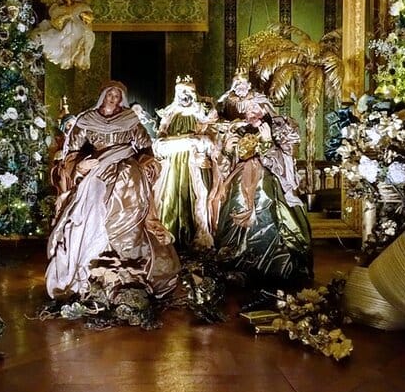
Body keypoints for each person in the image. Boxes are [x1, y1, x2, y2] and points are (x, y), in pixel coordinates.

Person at [46, 81, 179, 302]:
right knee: (89, 208)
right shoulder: (87, 119)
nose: (114, 98)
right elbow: (72, 151)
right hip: (97, 169)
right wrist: (80, 165)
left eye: (118, 95)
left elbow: (146, 147)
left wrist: (146, 162)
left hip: (126, 169)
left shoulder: (129, 118)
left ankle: (128, 263)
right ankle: (95, 262)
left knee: (129, 197)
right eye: (110, 94)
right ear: (103, 95)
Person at [212, 86, 313, 286]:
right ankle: (240, 264)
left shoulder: (280, 126)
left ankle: (273, 265)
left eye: (255, 107)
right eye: (246, 109)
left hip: (269, 178)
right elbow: (225, 164)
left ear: (264, 106)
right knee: (235, 205)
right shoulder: (237, 128)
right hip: (240, 178)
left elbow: (286, 159)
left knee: (266, 200)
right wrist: (228, 150)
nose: (251, 112)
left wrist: (267, 143)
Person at [153, 76, 217, 249]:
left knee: (196, 196)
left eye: (188, 92)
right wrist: (171, 144)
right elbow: (160, 139)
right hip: (172, 164)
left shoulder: (201, 114)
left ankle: (196, 235)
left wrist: (200, 145)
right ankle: (168, 232)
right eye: (181, 92)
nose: (185, 96)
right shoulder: (170, 114)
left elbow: (212, 138)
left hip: (193, 162)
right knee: (169, 195)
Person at [32, 0, 96, 70]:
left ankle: (73, 53)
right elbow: (55, 22)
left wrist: (84, 15)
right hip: (64, 29)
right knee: (56, 37)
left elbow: (89, 18)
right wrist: (64, 17)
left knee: (76, 39)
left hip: (78, 28)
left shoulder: (80, 6)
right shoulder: (60, 9)